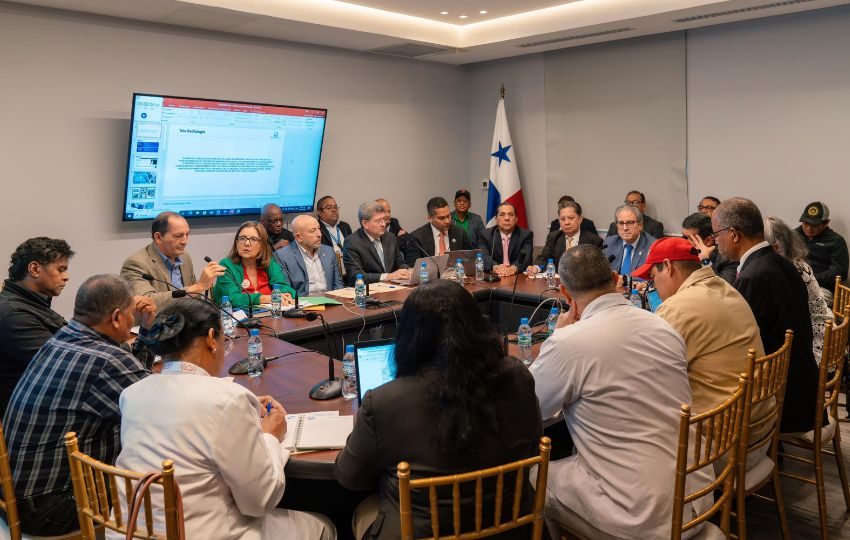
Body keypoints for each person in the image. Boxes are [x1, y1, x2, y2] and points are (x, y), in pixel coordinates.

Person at [110, 298, 335, 539]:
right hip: (202, 533)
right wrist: (270, 435)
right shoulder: (228, 400)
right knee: (323, 524)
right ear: (210, 338)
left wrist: (240, 411)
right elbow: (259, 501)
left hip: (130, 531)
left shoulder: (132, 394)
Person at [334, 280, 542, 539]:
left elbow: (349, 476)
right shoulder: (518, 377)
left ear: (409, 336)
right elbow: (532, 446)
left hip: (425, 533)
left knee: (365, 509)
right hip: (511, 527)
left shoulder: (385, 401)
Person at [529, 245, 709, 539]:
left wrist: (558, 335)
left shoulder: (568, 343)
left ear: (564, 292)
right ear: (615, 278)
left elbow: (530, 407)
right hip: (696, 492)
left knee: (532, 475)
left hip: (639, 513)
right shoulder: (662, 326)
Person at [2, 275, 154, 536]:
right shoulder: (107, 360)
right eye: (132, 317)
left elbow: (134, 381)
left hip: (16, 495)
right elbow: (166, 408)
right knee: (166, 484)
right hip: (51, 506)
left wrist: (147, 332)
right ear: (117, 317)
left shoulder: (62, 337)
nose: (133, 323)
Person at [632, 238, 773, 451]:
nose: (655, 288)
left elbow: (645, 376)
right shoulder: (724, 286)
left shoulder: (677, 308)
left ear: (668, 267)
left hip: (721, 443)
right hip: (757, 424)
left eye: (652, 278)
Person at [712, 198, 819, 434]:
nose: (715, 242)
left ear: (734, 234)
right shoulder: (779, 262)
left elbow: (742, 343)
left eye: (717, 234)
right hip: (800, 382)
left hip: (782, 397)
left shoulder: (754, 276)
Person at [0, 237, 74, 416]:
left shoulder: (30, 304)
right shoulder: (13, 314)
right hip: (31, 418)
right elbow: (64, 366)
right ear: (34, 269)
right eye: (60, 269)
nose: (66, 277)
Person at [121, 211, 225, 309]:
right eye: (178, 236)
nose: (185, 241)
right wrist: (198, 287)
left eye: (187, 234)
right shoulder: (136, 264)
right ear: (158, 237)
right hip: (155, 325)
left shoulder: (185, 257)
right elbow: (146, 303)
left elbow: (194, 300)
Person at [765, 217, 832, 366]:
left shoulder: (787, 270)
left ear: (775, 247)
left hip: (814, 347)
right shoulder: (794, 261)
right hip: (819, 333)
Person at [212, 221, 295, 310]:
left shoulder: (269, 263)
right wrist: (264, 298)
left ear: (262, 245)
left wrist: (287, 294)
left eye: (253, 239)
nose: (247, 243)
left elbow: (281, 285)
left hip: (272, 316)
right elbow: (232, 298)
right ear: (236, 243)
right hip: (240, 320)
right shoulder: (226, 265)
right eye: (242, 239)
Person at [343, 201, 410, 285]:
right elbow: (355, 276)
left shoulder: (390, 238)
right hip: (368, 292)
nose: (383, 224)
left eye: (384, 219)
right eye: (378, 221)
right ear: (365, 223)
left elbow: (400, 264)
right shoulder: (352, 242)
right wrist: (387, 276)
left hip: (393, 287)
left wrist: (408, 271)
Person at [275, 215, 344, 297]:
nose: (319, 234)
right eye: (313, 230)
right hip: (303, 305)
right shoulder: (282, 256)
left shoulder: (328, 251)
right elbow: (285, 290)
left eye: (318, 228)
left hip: (331, 302)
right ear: (299, 237)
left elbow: (338, 284)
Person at [528, 200, 602, 274]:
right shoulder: (553, 237)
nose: (566, 222)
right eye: (563, 219)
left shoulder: (593, 240)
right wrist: (535, 268)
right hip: (558, 281)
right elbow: (544, 258)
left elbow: (597, 268)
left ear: (580, 219)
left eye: (571, 218)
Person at [795, 201, 848, 303]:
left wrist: (810, 278)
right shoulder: (793, 235)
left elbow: (840, 272)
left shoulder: (836, 241)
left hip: (822, 287)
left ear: (826, 223)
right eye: (806, 223)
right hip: (794, 282)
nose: (809, 228)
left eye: (814, 225)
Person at [405, 196, 473, 266]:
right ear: (430, 218)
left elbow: (470, 260)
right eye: (441, 218)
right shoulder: (417, 237)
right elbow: (413, 266)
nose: (447, 221)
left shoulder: (460, 233)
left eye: (448, 216)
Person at [477, 203, 533, 277]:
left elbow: (526, 256)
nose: (507, 218)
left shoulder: (526, 235)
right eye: (502, 214)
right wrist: (495, 266)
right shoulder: (485, 234)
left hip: (517, 277)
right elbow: (483, 255)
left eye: (511, 214)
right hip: (494, 276)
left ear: (516, 219)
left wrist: (514, 267)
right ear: (496, 219)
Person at [681, 212, 738, 284]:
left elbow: (722, 289)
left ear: (708, 241)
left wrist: (705, 262)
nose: (684, 242)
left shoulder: (729, 258)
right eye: (684, 236)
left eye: (691, 238)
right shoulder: (684, 251)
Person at [603, 205, 657, 276]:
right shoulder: (609, 243)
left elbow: (653, 278)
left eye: (630, 223)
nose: (625, 228)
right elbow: (601, 273)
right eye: (621, 223)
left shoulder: (653, 246)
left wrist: (625, 281)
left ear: (640, 225)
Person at [317, 196, 353, 279]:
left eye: (335, 207)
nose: (334, 210)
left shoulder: (344, 226)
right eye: (329, 208)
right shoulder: (317, 229)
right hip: (330, 276)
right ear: (319, 212)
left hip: (349, 274)